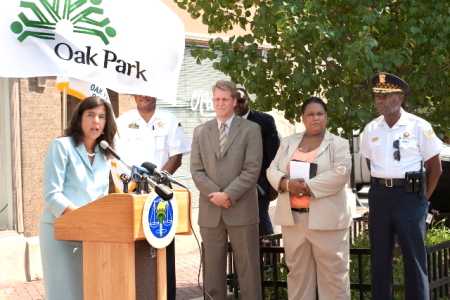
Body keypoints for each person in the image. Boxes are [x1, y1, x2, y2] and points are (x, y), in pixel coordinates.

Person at [360, 72, 442, 300]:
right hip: (379, 196)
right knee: (379, 259)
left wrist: (422, 201)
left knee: (414, 259)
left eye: (385, 96)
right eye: (377, 96)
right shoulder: (371, 129)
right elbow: (370, 163)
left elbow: (435, 169)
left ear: (400, 97)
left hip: (409, 197)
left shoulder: (419, 127)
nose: (379, 101)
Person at [267, 97, 352, 300]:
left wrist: (304, 187)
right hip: (293, 221)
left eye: (320, 114)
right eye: (310, 114)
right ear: (303, 118)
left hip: (327, 221)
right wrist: (287, 184)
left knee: (334, 280)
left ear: (326, 117)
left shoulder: (338, 143)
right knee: (297, 277)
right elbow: (272, 169)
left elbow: (341, 173)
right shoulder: (288, 142)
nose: (316, 118)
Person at [111, 94, 191, 300]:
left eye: (148, 91)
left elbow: (176, 156)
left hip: (160, 197)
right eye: (139, 91)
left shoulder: (170, 120)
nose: (143, 95)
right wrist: (134, 185)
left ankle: (167, 296)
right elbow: (116, 159)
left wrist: (155, 181)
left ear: (155, 94)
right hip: (132, 197)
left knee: (164, 247)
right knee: (135, 251)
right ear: (133, 94)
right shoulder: (122, 122)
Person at [190, 80, 263, 300]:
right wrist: (217, 196)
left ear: (234, 101)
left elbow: (252, 169)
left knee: (249, 270)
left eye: (225, 99)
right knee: (212, 273)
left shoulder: (251, 129)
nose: (220, 103)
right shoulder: (201, 131)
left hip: (242, 209)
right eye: (217, 99)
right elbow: (196, 170)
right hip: (211, 211)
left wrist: (229, 195)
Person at [39, 96, 117, 300]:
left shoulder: (105, 154)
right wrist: (82, 219)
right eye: (90, 115)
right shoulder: (61, 146)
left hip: (90, 234)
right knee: (64, 293)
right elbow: (52, 194)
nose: (96, 121)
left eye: (101, 117)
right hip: (60, 233)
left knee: (89, 291)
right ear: (79, 119)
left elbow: (101, 197)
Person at [234, 87, 280, 237]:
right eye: (233, 100)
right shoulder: (227, 123)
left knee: (260, 217)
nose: (237, 104)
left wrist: (273, 184)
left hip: (259, 184)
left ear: (248, 100)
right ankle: (252, 258)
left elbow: (274, 154)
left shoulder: (264, 120)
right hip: (234, 184)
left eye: (240, 100)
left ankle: (271, 257)